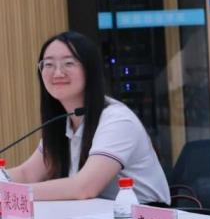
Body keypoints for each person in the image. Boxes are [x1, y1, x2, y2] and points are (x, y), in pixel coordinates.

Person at [7, 31, 169, 204]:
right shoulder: (63, 120)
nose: (58, 72)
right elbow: (27, 173)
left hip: (142, 216)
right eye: (48, 65)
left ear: (90, 70)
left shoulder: (117, 119)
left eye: (69, 63)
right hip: (94, 215)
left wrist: (10, 192)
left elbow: (84, 187)